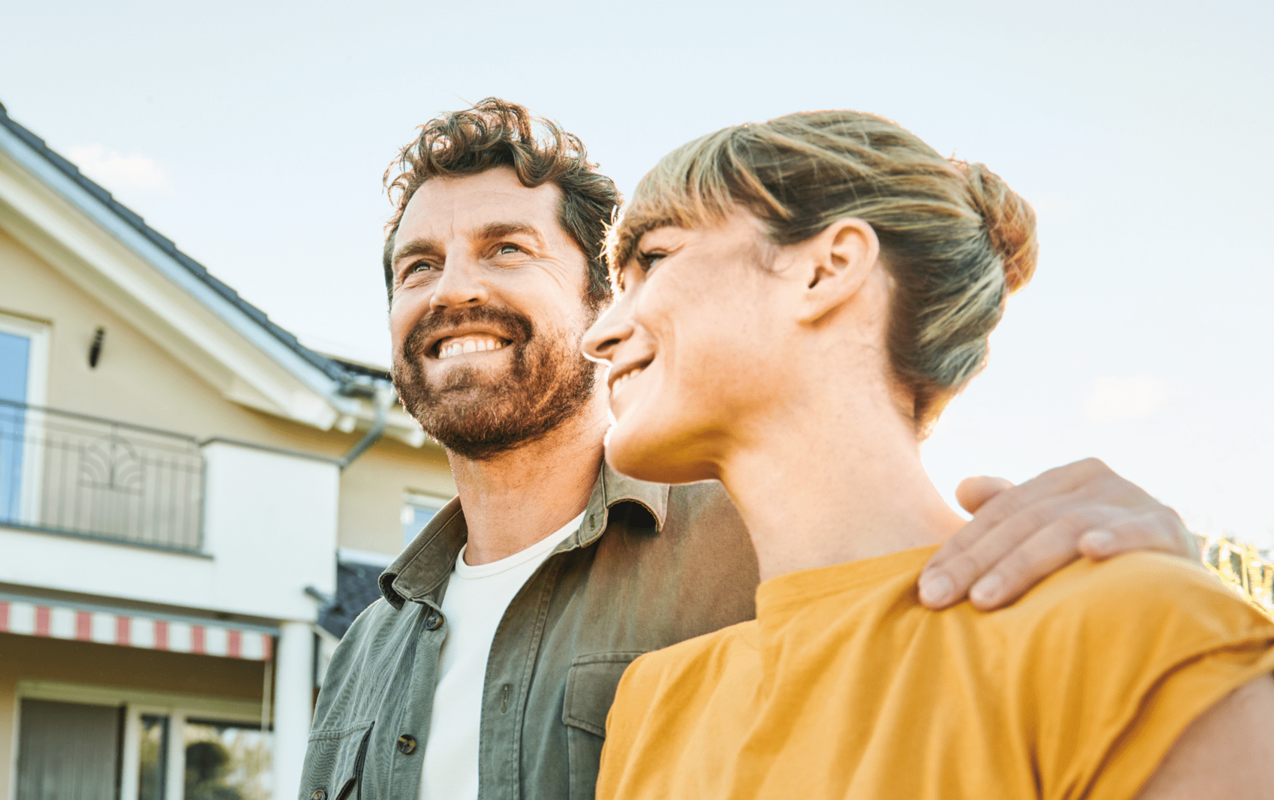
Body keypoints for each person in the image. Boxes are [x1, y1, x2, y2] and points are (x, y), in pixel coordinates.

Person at [300, 99, 1202, 800]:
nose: (452, 290)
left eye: (507, 249)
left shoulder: (759, 554)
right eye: (417, 266)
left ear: (592, 301)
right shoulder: (367, 648)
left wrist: (1147, 578)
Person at [585, 110, 1274, 799]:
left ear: (827, 270)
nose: (601, 335)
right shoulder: (654, 704)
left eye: (654, 260)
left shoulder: (1125, 623)